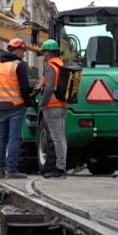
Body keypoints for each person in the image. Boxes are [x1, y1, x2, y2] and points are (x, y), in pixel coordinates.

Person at [0, 38, 32, 179]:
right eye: (23, 52)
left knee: (2, 138)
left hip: (1, 106)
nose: (23, 55)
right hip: (16, 106)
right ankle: (12, 170)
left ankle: (0, 170)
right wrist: (28, 101)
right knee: (14, 138)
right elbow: (24, 88)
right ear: (17, 50)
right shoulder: (18, 66)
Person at [38, 39, 68, 178]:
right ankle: (61, 166)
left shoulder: (50, 66)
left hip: (51, 106)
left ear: (49, 53)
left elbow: (49, 87)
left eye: (45, 52)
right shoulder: (61, 65)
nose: (44, 55)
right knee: (61, 137)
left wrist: (42, 102)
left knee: (56, 138)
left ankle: (60, 168)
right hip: (61, 105)